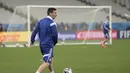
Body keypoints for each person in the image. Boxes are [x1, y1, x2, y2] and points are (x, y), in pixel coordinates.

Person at [31, 8, 58, 73]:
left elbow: (34, 31)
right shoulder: (52, 23)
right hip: (48, 45)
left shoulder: (41, 21)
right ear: (50, 13)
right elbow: (55, 35)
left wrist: (32, 40)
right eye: (55, 13)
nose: (56, 15)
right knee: (47, 62)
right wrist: (54, 42)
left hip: (42, 45)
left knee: (50, 59)